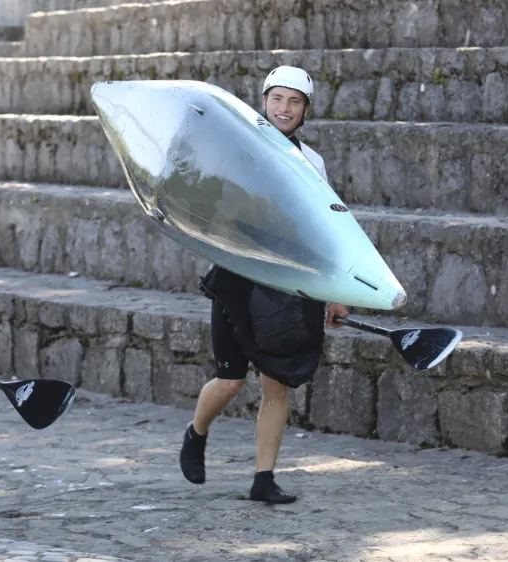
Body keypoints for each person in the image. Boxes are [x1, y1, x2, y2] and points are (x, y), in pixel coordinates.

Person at [180, 66, 350, 503]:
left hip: (286, 288)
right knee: (230, 381)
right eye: (277, 99)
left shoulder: (313, 164)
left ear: (306, 110)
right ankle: (197, 432)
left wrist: (335, 296)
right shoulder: (238, 151)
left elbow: (323, 236)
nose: (285, 109)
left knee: (278, 384)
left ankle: (263, 479)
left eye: (294, 102)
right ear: (263, 102)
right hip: (237, 281)